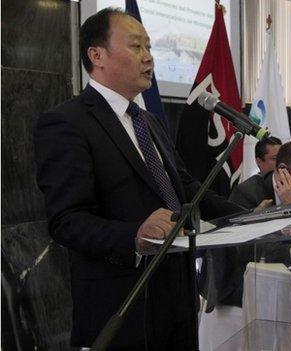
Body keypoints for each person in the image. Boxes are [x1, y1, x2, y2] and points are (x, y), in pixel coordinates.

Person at [34, 8, 242, 349]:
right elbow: (66, 221)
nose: (149, 58)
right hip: (122, 302)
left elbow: (186, 188)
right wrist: (134, 235)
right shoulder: (67, 122)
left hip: (177, 291)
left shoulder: (149, 122)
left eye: (149, 48)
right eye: (136, 47)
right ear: (96, 55)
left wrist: (250, 216)